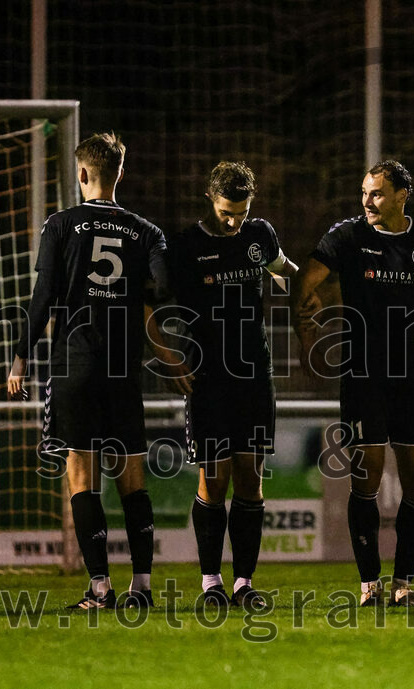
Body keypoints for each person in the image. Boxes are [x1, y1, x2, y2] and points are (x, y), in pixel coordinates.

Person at [8, 132, 191, 610]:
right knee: (132, 478)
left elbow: (44, 296)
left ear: (83, 173)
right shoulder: (146, 231)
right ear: (120, 174)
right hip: (123, 369)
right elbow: (165, 286)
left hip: (75, 365)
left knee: (81, 474)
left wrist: (20, 355)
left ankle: (100, 588)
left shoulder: (60, 224)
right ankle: (143, 586)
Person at [292, 160, 414, 607]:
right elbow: (305, 282)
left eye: (377, 193)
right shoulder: (347, 236)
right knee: (365, 480)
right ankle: (369, 584)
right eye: (364, 192)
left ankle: (404, 585)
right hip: (363, 377)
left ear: (403, 195)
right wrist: (306, 337)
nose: (367, 201)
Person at [168, 161, 300, 610]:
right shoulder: (187, 246)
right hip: (208, 378)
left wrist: (311, 286)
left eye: (241, 213)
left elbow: (285, 270)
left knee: (250, 476)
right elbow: (155, 301)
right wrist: (167, 354)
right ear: (210, 199)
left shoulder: (259, 235)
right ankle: (211, 583)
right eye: (227, 213)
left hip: (254, 375)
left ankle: (244, 582)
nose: (234, 222)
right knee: (214, 479)